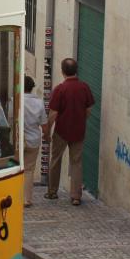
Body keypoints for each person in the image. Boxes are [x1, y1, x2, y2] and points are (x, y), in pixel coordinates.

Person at [44, 58, 96, 206]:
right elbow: (88, 110)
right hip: (79, 131)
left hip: (61, 131)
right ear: (76, 70)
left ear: (62, 72)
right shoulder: (84, 87)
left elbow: (53, 113)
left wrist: (47, 131)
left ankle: (52, 191)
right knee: (76, 163)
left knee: (55, 160)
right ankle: (76, 196)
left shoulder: (60, 89)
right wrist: (81, 120)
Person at [22, 76, 48, 207]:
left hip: (18, 141)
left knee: (16, 170)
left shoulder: (15, 100)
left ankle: (15, 196)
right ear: (32, 88)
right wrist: (47, 136)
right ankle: (27, 199)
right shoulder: (39, 103)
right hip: (33, 140)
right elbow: (44, 124)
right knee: (29, 170)